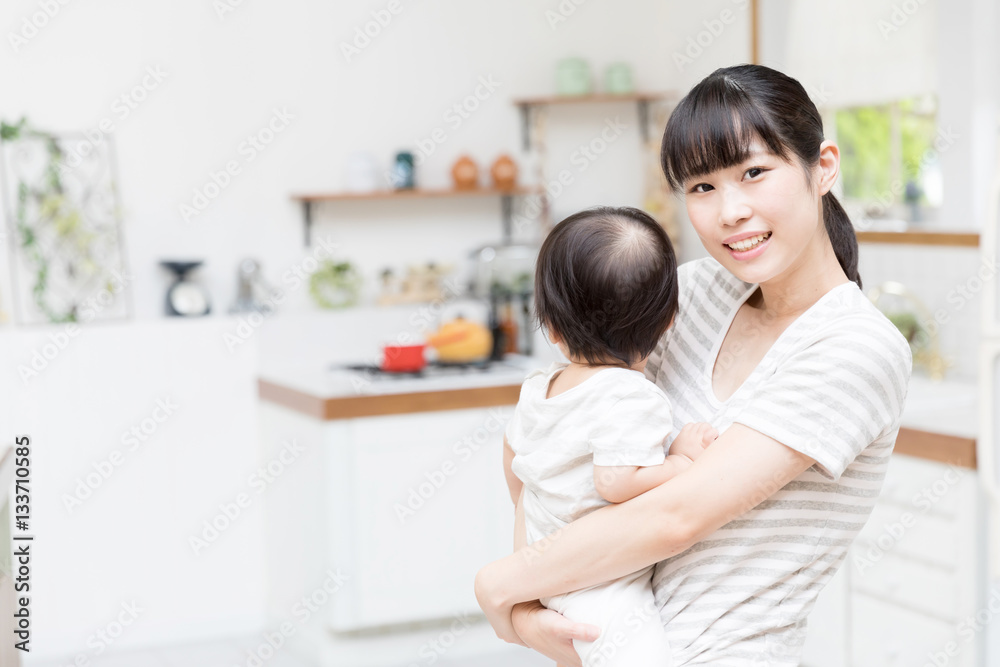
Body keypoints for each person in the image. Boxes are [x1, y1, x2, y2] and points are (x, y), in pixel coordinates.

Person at [475, 63, 913, 666]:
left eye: (754, 173)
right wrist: (530, 612)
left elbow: (675, 515)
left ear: (823, 168)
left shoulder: (856, 346)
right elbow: (556, 451)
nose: (730, 211)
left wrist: (501, 584)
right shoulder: (693, 294)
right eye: (702, 187)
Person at [502, 206, 719, 666]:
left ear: (554, 327)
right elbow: (616, 481)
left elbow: (514, 459)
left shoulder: (541, 387)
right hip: (600, 582)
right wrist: (680, 463)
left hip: (544, 566)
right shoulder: (631, 394)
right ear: (667, 321)